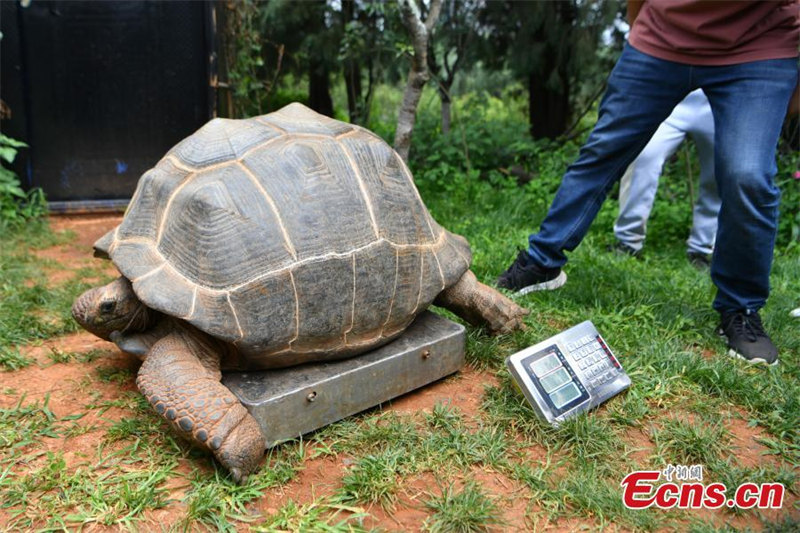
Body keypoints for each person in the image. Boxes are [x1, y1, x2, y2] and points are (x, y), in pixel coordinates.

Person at [497, 0, 799, 366]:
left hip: (759, 46)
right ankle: (542, 262)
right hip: (662, 38)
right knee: (604, 149)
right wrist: (644, 31)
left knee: (747, 175)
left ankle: (741, 308)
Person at [611, 89, 719, 269]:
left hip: (718, 98)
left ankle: (702, 248)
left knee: (718, 173)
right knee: (643, 156)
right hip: (670, 95)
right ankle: (627, 241)